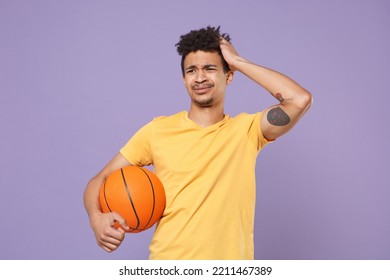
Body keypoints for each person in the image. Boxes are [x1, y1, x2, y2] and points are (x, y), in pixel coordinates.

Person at [83, 26, 312, 260]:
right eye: (191, 70)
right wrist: (95, 218)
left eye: (210, 68)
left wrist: (237, 61)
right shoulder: (158, 130)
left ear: (229, 75)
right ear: (184, 79)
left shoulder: (247, 130)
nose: (200, 77)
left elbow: (299, 99)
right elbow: (98, 179)